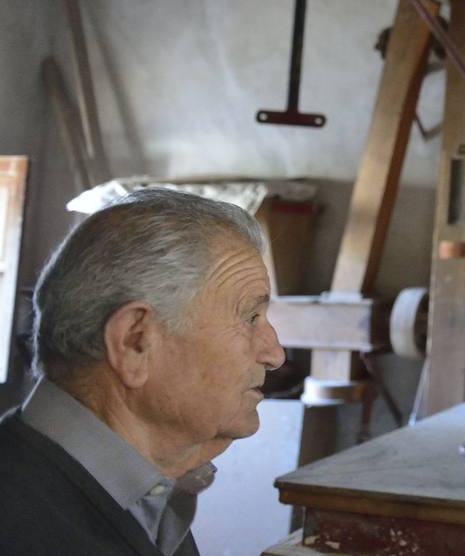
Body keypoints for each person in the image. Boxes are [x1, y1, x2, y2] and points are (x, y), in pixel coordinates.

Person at [0, 188, 285, 556]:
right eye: (249, 318)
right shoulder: (18, 526)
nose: (274, 354)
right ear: (135, 342)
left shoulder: (144, 494)